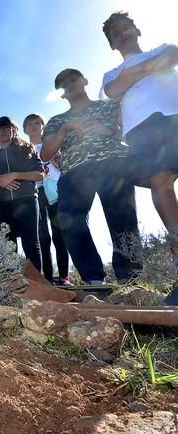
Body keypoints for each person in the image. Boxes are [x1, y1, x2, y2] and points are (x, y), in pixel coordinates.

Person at [41, 68, 142, 285]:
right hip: (75, 172)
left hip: (112, 165)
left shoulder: (108, 106)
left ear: (84, 80)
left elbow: (130, 132)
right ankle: (94, 279)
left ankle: (130, 278)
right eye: (64, 84)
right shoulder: (57, 120)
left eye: (73, 80)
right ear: (62, 94)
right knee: (68, 218)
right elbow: (45, 153)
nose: (70, 85)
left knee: (122, 218)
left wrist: (106, 131)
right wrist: (64, 130)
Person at [101, 11, 178, 264]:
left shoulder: (163, 47)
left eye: (126, 28)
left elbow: (173, 55)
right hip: (141, 131)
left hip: (174, 117)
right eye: (115, 34)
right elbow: (113, 90)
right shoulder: (111, 74)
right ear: (112, 44)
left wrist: (132, 76)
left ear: (137, 30)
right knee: (160, 180)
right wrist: (153, 65)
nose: (122, 34)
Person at [0, 116, 44, 271]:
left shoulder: (27, 149)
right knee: (7, 247)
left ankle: (37, 285)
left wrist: (15, 175)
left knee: (31, 244)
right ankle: (11, 288)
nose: (3, 130)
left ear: (14, 130)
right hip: (1, 205)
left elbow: (40, 174)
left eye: (6, 127)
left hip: (27, 201)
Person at [23, 113, 71, 285]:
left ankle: (64, 277)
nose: (34, 126)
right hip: (36, 192)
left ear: (43, 126)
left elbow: (63, 163)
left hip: (57, 189)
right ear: (25, 129)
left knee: (60, 235)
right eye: (30, 124)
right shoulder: (23, 149)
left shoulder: (52, 144)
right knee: (43, 237)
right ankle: (48, 278)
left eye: (37, 123)